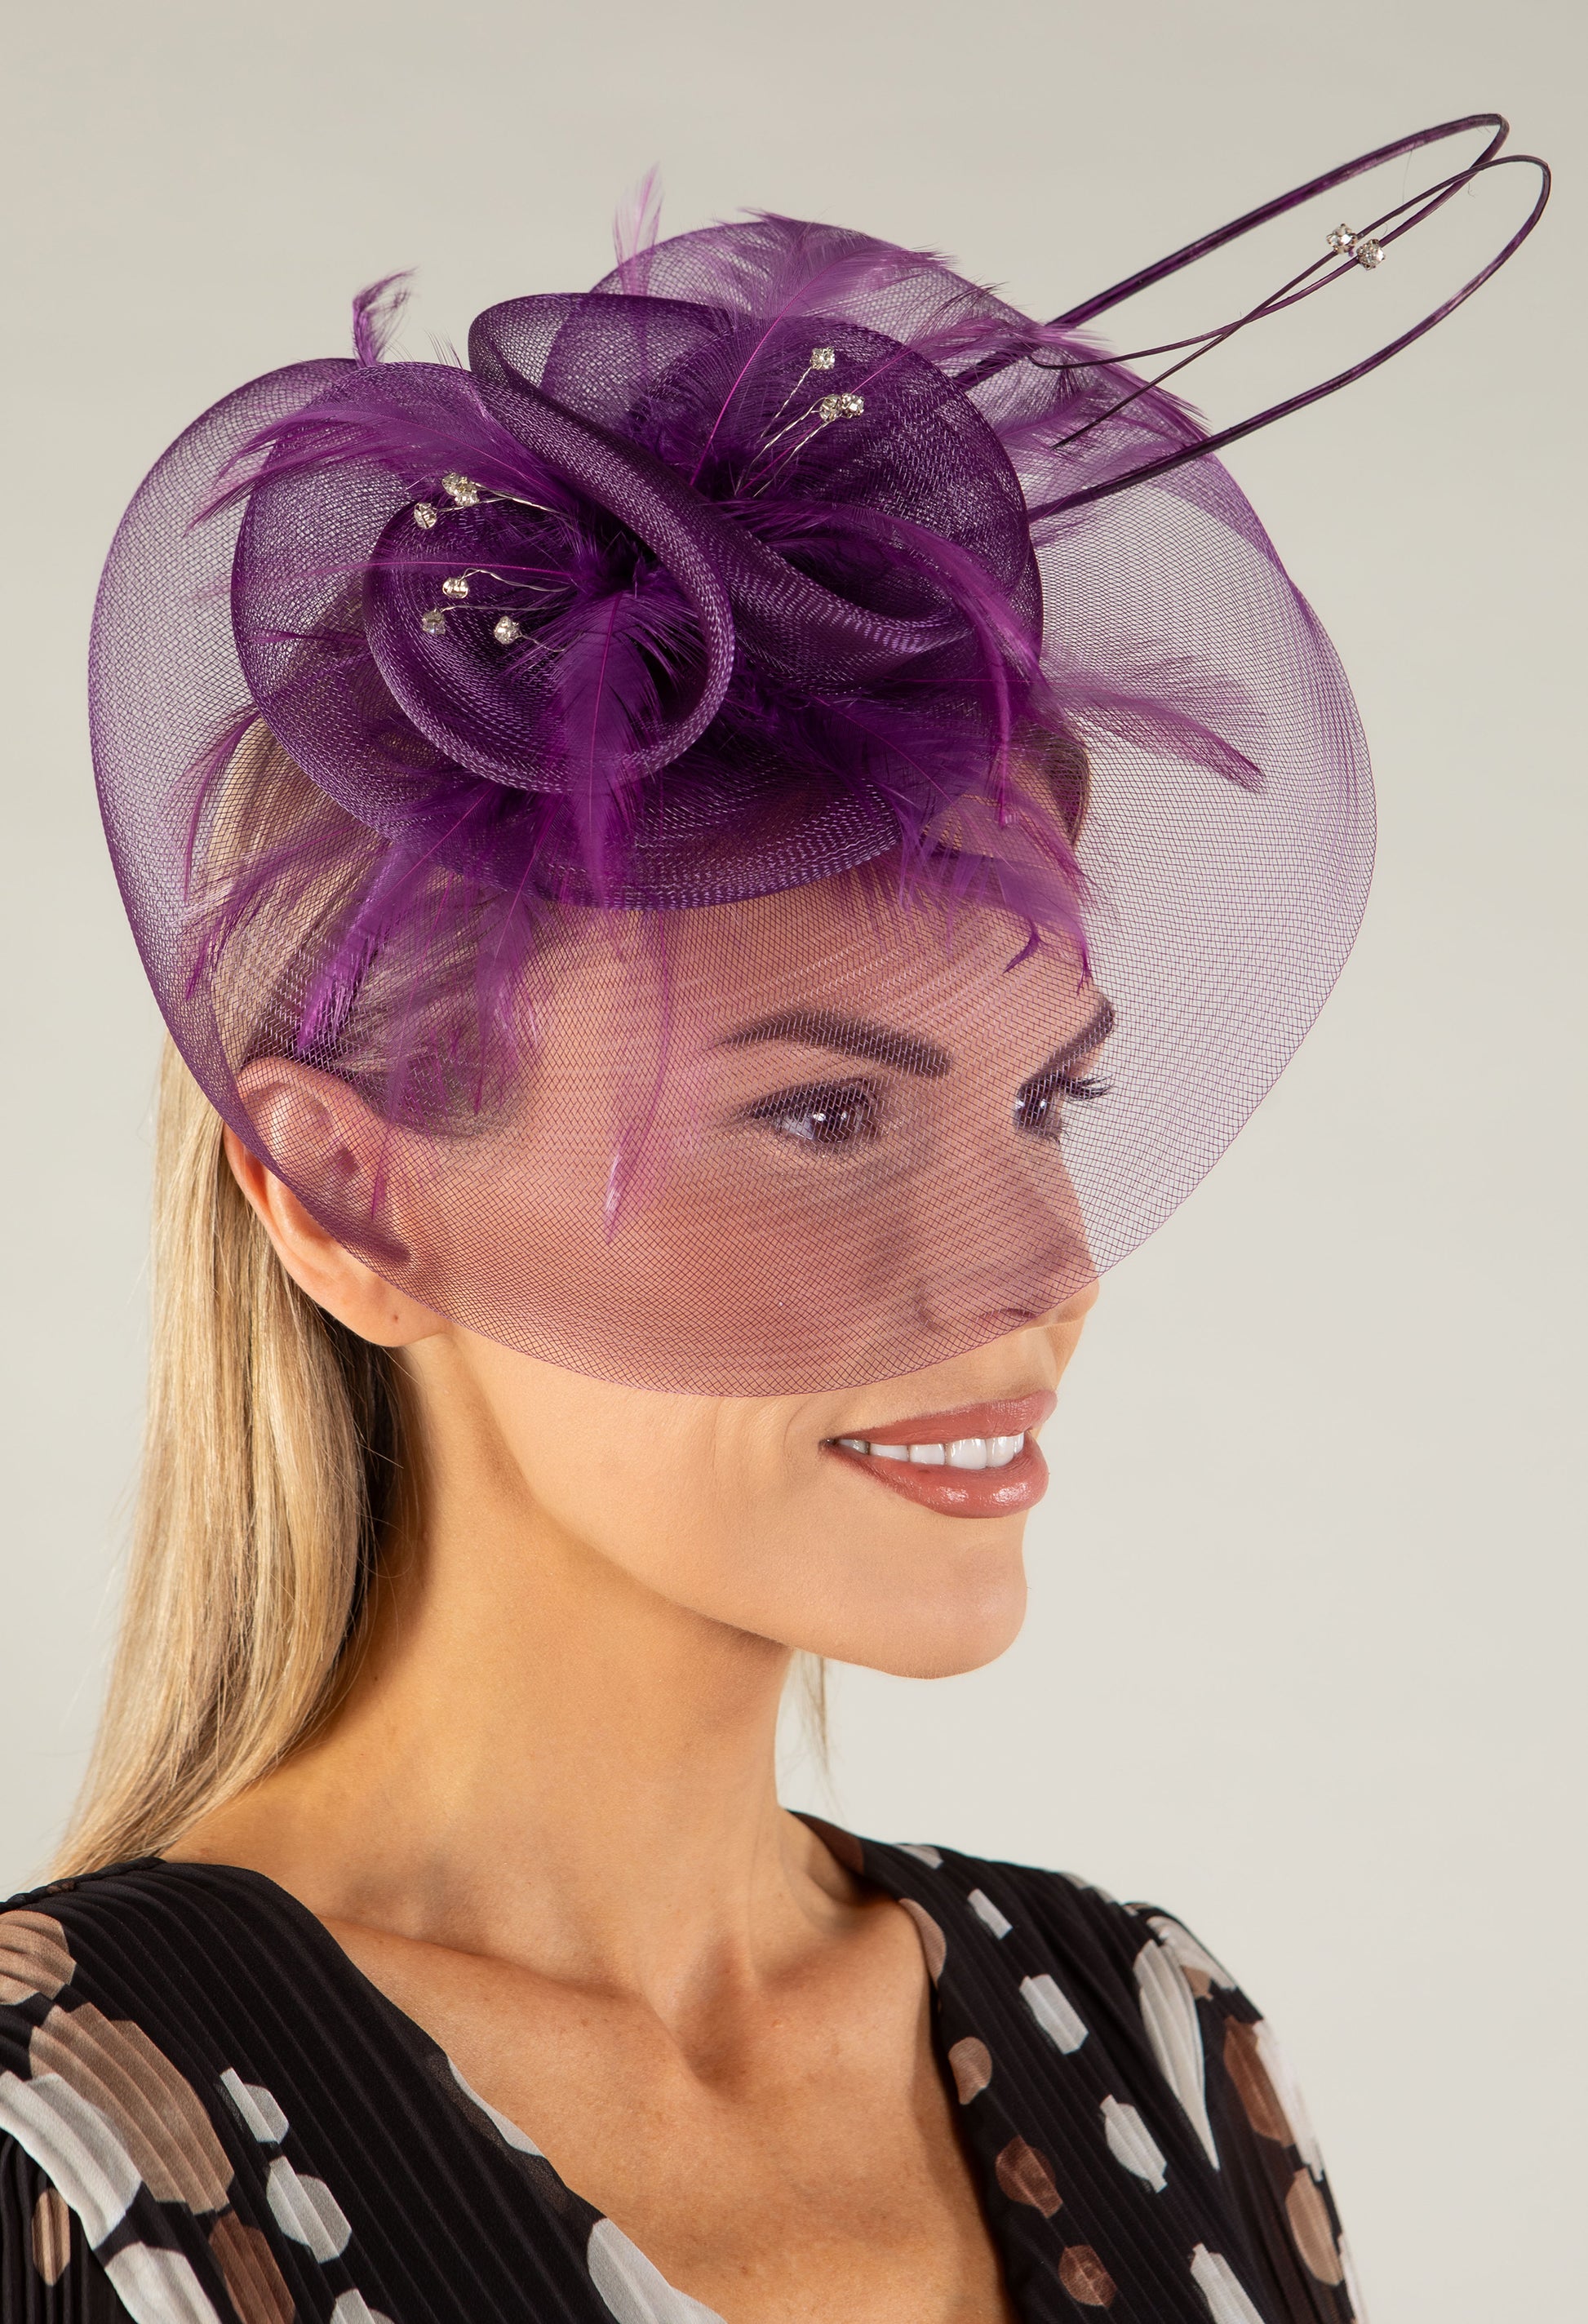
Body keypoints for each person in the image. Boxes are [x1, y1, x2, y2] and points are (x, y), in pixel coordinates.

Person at [0, 126, 1546, 2324]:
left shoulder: (1150, 2042)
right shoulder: (66, 2142)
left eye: (1046, 1099)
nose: (1040, 1272)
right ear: (349, 1198)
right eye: (822, 1112)